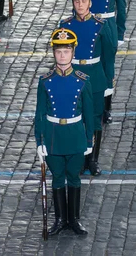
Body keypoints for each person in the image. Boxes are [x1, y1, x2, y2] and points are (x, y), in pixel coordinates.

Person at [35, 28, 94, 235]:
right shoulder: (45, 81)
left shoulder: (82, 80)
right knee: (58, 178)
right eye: (59, 51)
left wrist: (89, 141)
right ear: (53, 53)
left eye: (66, 51)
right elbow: (40, 114)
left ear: (73, 52)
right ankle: (60, 219)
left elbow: (89, 114)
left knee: (74, 178)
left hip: (75, 134)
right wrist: (39, 141)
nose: (62, 55)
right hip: (53, 137)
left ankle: (74, 219)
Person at [59, 0, 117, 176]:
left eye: (84, 1)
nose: (80, 5)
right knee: (75, 118)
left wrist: (108, 82)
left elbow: (109, 56)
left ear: (90, 2)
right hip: (74, 77)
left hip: (95, 78)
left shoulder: (101, 25)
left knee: (94, 119)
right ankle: (77, 156)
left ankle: (92, 159)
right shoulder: (65, 26)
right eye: (77, 1)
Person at [82, 0, 125, 123]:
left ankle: (106, 108)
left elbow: (121, 10)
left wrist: (120, 34)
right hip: (90, 26)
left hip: (107, 27)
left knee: (108, 67)